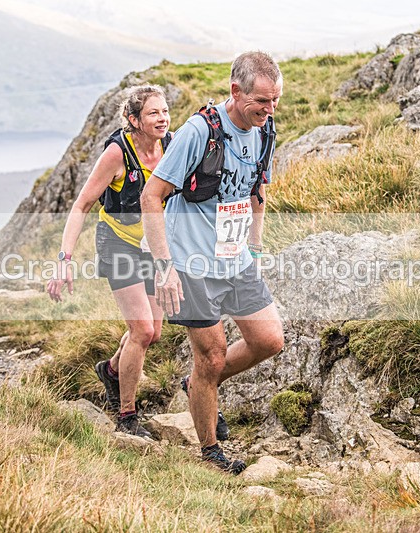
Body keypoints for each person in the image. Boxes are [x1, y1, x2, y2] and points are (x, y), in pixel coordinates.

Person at [141, 52, 285, 474]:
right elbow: (151, 197)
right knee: (212, 356)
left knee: (269, 340)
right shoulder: (198, 132)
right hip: (190, 264)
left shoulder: (265, 130)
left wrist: (254, 251)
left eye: (275, 100)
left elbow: (257, 191)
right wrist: (164, 266)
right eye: (261, 100)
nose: (269, 109)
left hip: (235, 259)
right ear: (235, 91)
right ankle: (210, 453)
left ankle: (198, 387)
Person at [46, 85, 171, 438]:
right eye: (152, 113)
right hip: (117, 242)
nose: (162, 118)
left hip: (153, 247)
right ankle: (127, 416)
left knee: (154, 333)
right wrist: (64, 259)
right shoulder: (118, 153)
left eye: (164, 111)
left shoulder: (171, 146)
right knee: (142, 330)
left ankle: (112, 370)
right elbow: (81, 205)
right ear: (133, 120)